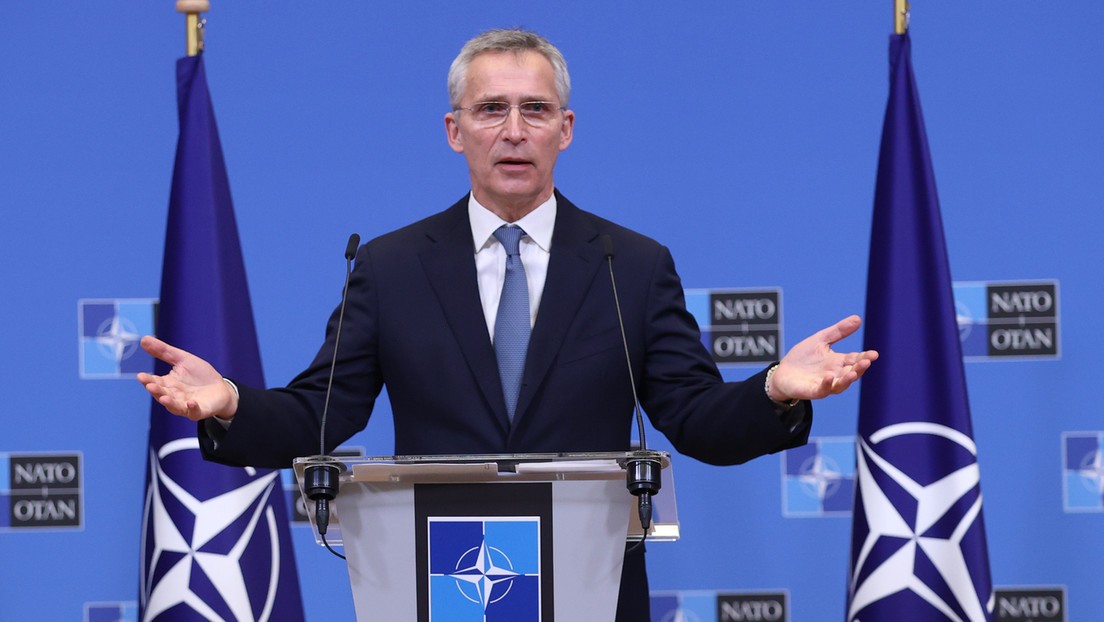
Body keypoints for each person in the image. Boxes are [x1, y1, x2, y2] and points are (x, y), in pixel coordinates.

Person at [138, 28, 878, 622]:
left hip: (594, 588)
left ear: (567, 129)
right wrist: (231, 403)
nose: (514, 131)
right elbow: (318, 414)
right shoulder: (391, 267)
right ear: (455, 130)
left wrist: (774, 389)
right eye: (492, 109)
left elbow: (697, 419)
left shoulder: (631, 265)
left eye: (536, 110)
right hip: (442, 581)